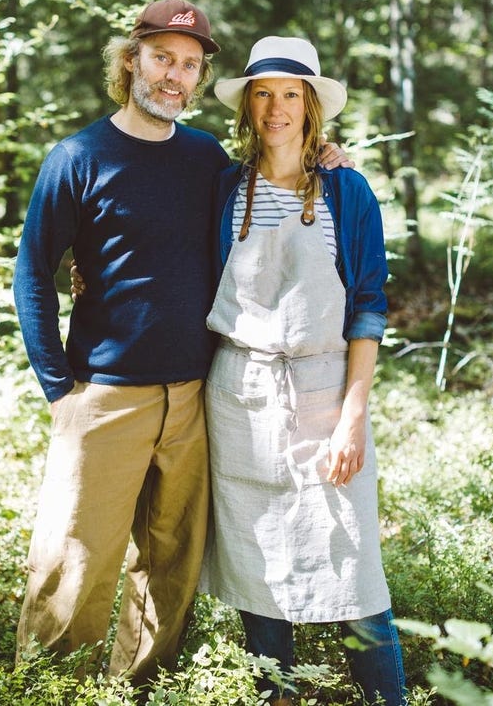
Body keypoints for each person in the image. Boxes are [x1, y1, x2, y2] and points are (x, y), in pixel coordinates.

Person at [13, 0, 350, 686]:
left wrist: (321, 152)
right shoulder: (77, 157)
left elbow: (270, 184)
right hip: (104, 395)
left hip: (196, 394)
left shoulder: (206, 161)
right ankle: (51, 690)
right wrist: (59, 389)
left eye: (190, 64)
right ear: (131, 59)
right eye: (163, 57)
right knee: (76, 558)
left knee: (170, 567)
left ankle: (138, 690)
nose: (175, 75)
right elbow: (32, 272)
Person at [199, 36, 406, 705]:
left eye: (291, 93)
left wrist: (353, 416)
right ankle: (276, 695)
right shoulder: (225, 186)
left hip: (324, 390)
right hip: (239, 392)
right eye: (264, 92)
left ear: (311, 105)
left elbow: (368, 305)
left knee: (355, 572)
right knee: (257, 564)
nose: (276, 106)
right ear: (247, 106)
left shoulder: (347, 190)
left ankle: (386, 699)